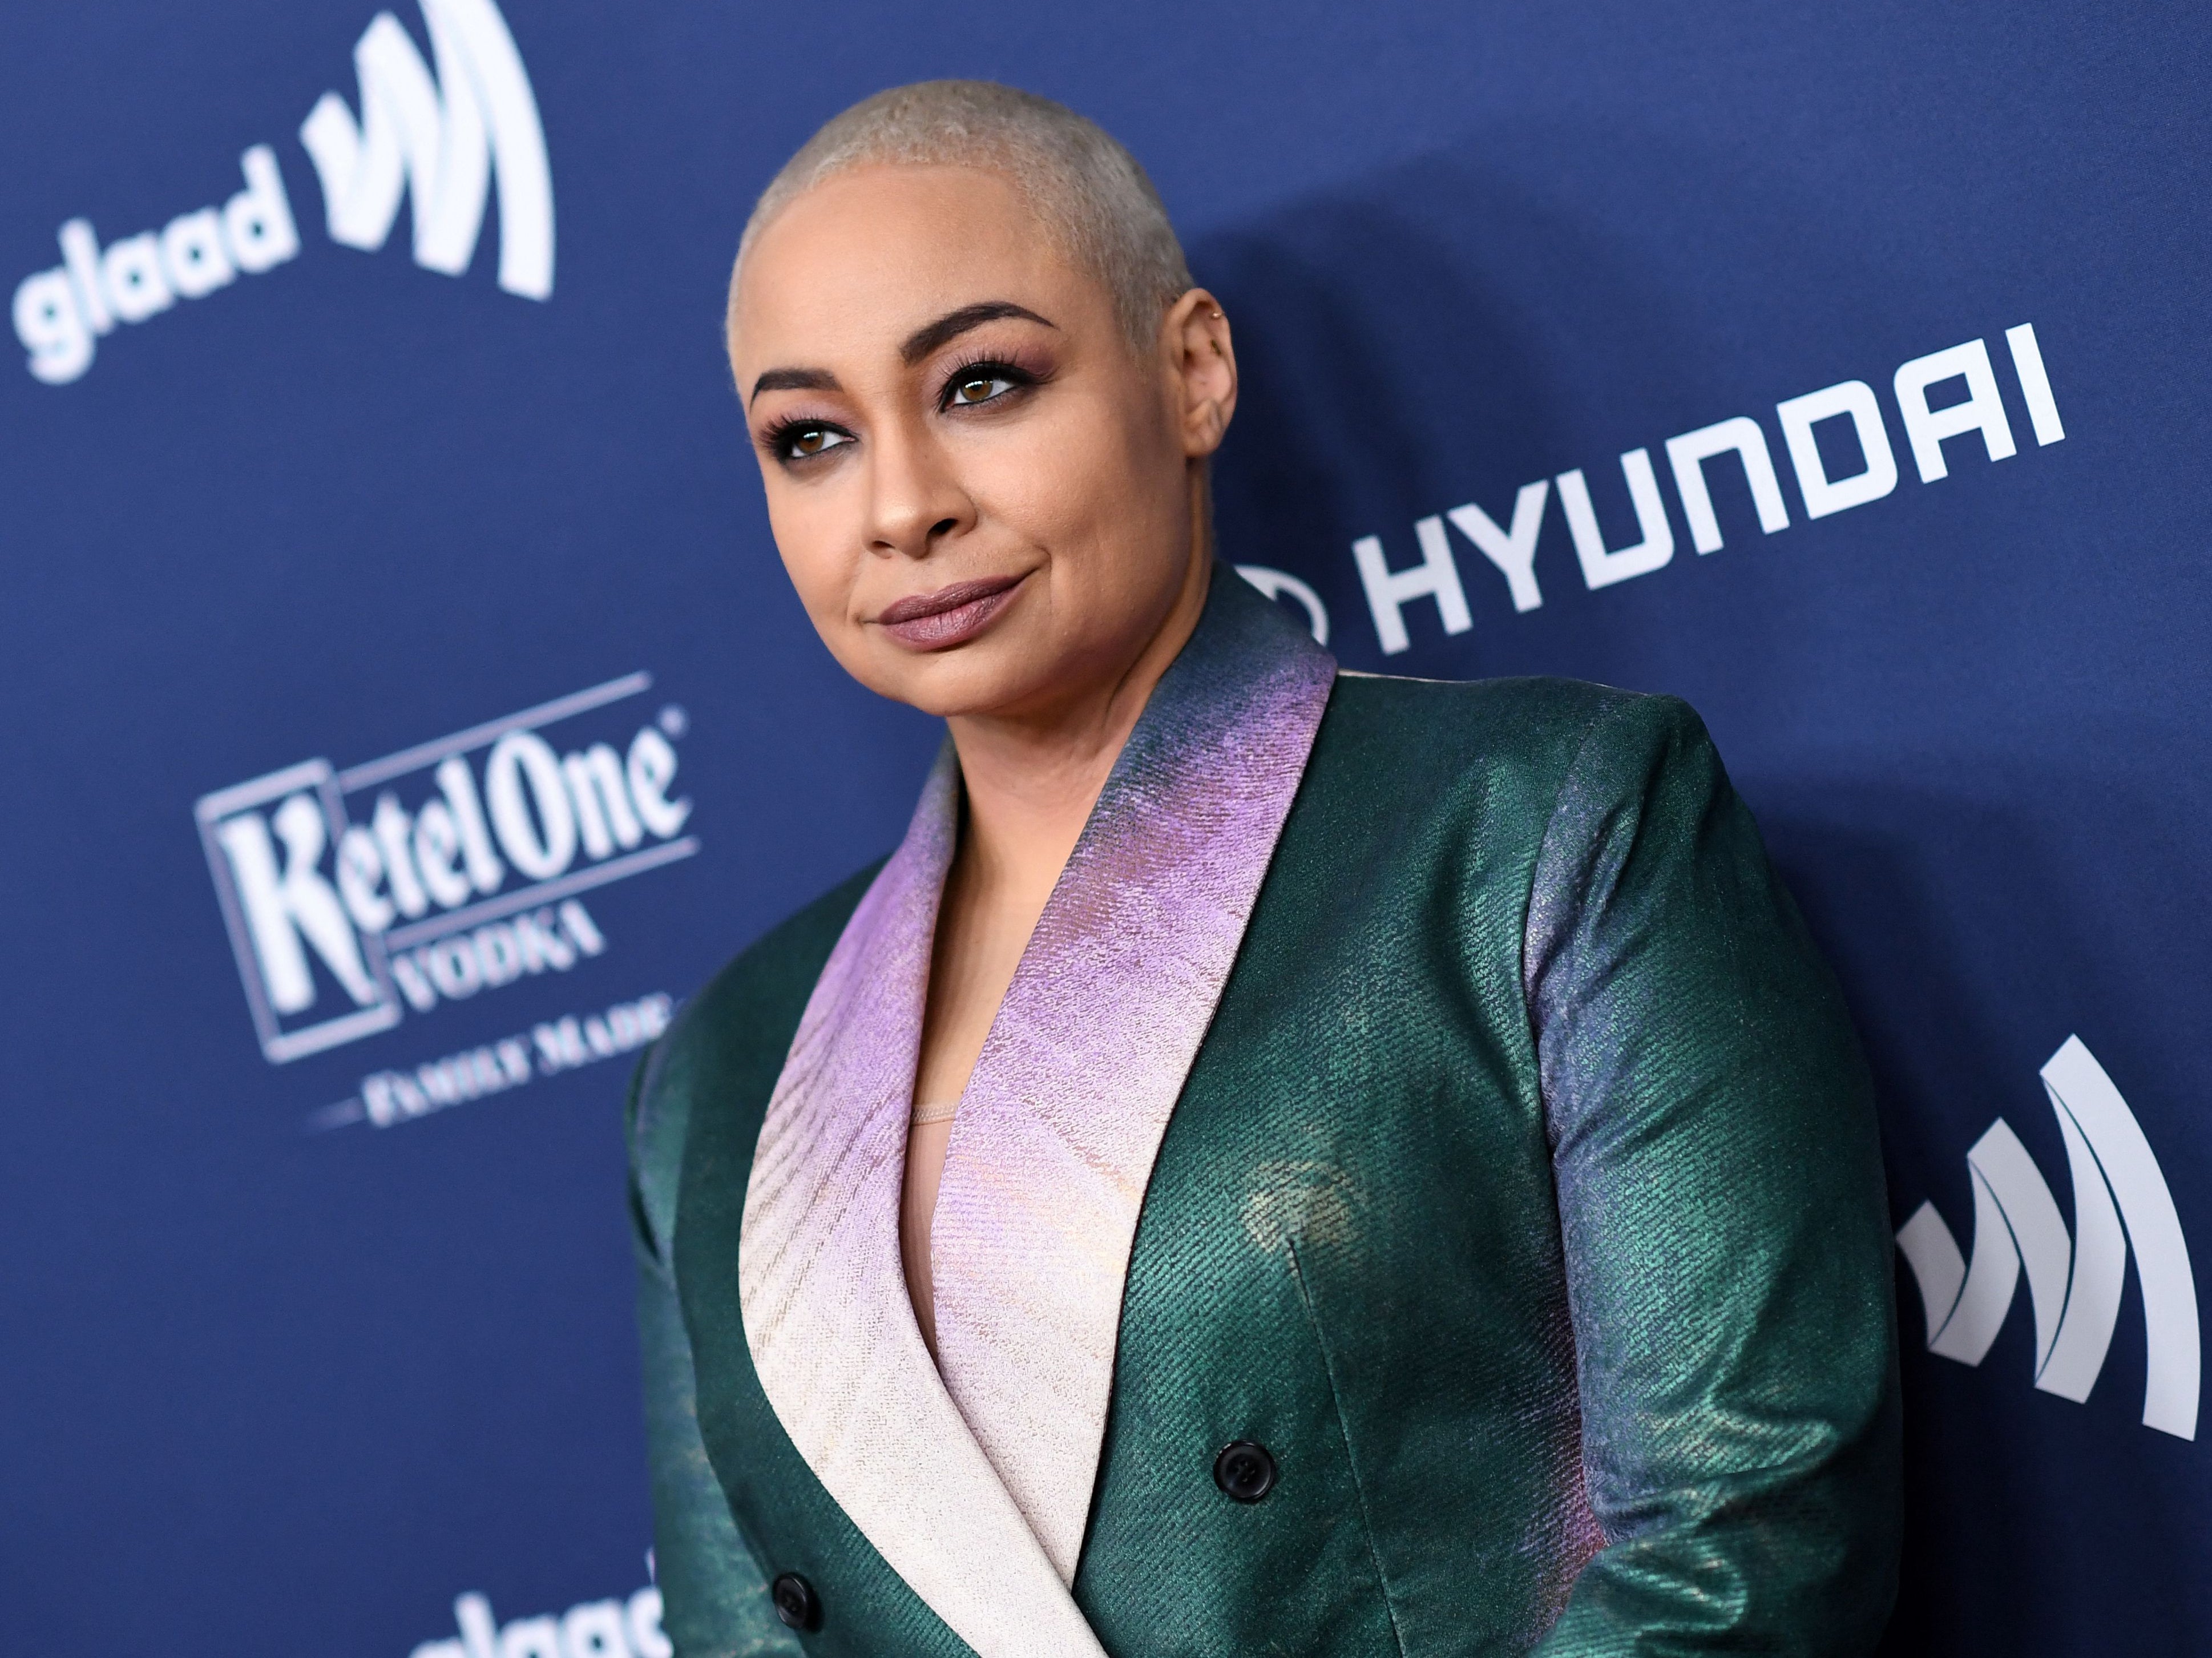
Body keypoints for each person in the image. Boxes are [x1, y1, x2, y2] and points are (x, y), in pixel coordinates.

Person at [626, 79, 1900, 1658]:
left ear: (1192, 370)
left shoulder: (1541, 822)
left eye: (981, 384)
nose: (901, 506)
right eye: (809, 437)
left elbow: (1745, 1543)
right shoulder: (725, 1070)